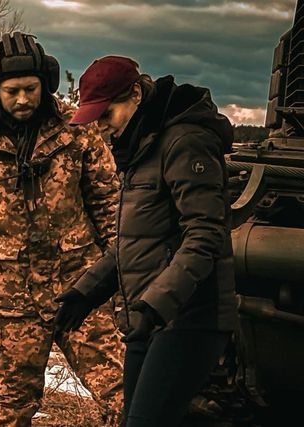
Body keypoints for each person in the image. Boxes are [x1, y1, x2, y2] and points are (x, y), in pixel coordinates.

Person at [0, 32, 121, 426]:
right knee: (13, 409)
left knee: (124, 393)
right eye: (12, 91)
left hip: (81, 288)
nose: (23, 99)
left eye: (31, 89)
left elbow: (110, 209)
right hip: (13, 302)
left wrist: (126, 280)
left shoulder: (76, 131)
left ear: (45, 84)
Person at [55, 55, 238, 426]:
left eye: (107, 114)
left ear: (136, 94)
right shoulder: (140, 146)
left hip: (189, 317)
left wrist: (156, 305)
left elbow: (205, 234)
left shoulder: (185, 141)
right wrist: (85, 292)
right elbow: (135, 241)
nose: (102, 128)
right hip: (149, 317)